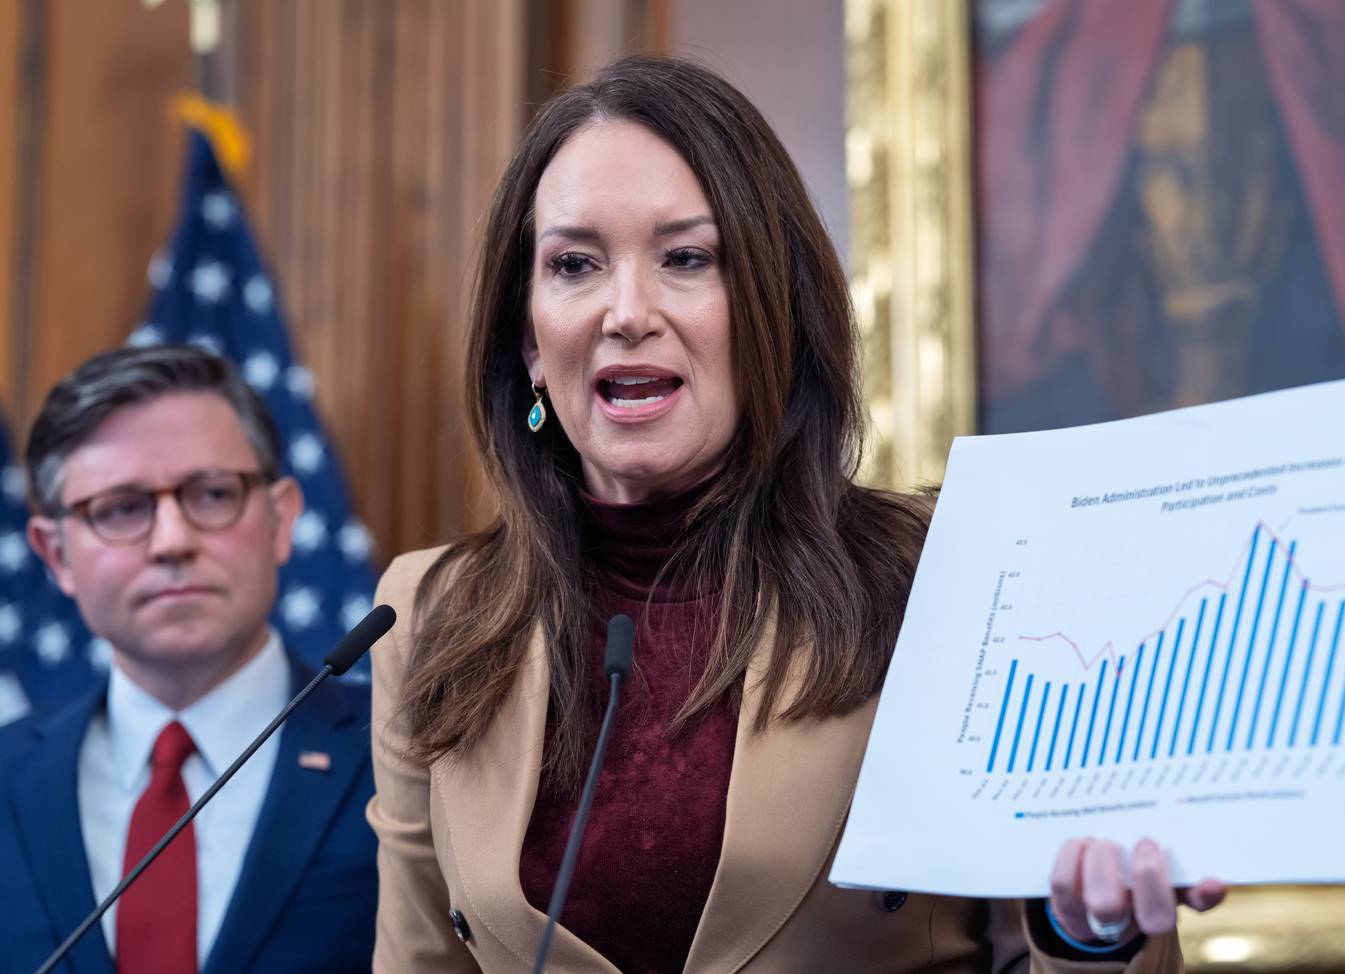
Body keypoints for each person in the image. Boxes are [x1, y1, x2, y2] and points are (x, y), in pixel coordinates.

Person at [367, 56, 1226, 973]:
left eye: (687, 258)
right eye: (575, 265)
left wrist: (1092, 932)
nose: (626, 312)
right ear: (530, 340)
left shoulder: (944, 576)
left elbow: (1036, 950)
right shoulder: (429, 614)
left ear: (773, 308)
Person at [0, 345, 377, 974]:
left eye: (211, 494)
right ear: (56, 554)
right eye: (120, 509)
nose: (173, 542)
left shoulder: (408, 755)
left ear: (282, 518)